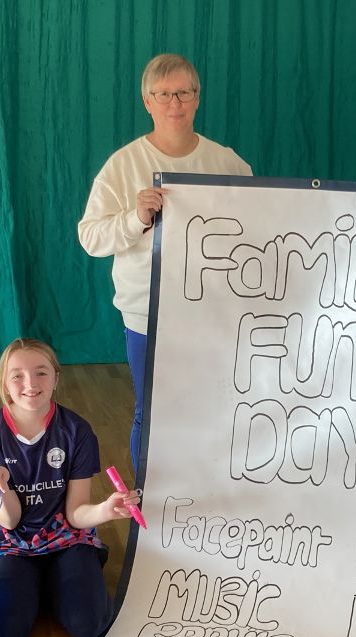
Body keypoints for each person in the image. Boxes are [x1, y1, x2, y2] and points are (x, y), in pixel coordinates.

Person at [78, 54, 252, 472]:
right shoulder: (123, 165)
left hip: (212, 311)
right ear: (147, 101)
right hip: (147, 312)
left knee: (213, 407)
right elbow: (90, 236)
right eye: (164, 95)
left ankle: (203, 506)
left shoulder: (228, 163)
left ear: (197, 98)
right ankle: (148, 504)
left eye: (184, 93)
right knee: (152, 411)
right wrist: (135, 219)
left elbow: (255, 228)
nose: (175, 103)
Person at [0, 337, 142, 637]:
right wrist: (1, 487)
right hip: (13, 546)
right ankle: (43, 586)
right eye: (17, 375)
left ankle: (57, 584)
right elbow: (9, 521)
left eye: (41, 373)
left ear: (55, 378)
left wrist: (106, 508)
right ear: (5, 384)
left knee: (89, 625)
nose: (30, 383)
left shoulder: (76, 431)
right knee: (5, 631)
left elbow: (76, 514)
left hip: (66, 540)